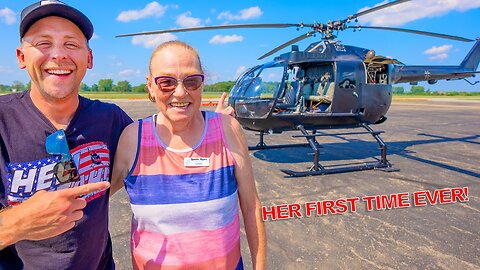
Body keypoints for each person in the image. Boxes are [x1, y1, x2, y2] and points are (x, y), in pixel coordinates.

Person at [111, 41, 267, 269]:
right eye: (166, 82)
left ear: (202, 82)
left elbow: (251, 206)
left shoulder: (228, 130)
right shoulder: (132, 138)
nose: (181, 92)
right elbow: (94, 201)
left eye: (191, 81)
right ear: (150, 86)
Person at [0, 1, 132, 269]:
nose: (58, 54)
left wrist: (214, 125)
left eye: (71, 44)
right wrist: (16, 223)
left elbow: (159, 148)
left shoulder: (111, 119)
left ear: (89, 58)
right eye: (43, 43)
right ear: (21, 57)